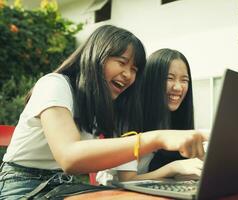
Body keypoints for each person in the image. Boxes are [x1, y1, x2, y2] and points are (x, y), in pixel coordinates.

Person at [0, 25, 207, 199]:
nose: (128, 75)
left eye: (134, 69)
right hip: (21, 185)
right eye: (122, 63)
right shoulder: (54, 84)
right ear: (96, 56)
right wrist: (157, 138)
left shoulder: (96, 105)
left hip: (60, 185)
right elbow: (70, 156)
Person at [96, 48, 205, 184]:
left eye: (184, 80)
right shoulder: (129, 118)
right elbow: (127, 180)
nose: (178, 87)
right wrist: (174, 168)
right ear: (152, 81)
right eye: (169, 78)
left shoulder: (176, 121)